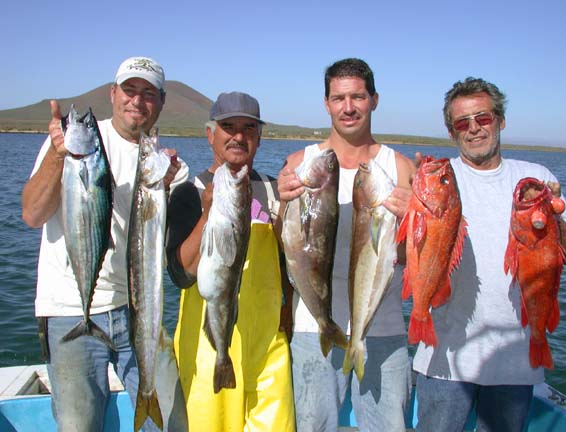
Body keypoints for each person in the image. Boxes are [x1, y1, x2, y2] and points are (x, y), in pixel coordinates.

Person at [21, 56, 188, 431]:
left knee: (173, 424)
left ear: (161, 102)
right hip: (68, 311)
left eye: (148, 94)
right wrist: (58, 155)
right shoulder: (74, 141)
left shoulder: (169, 166)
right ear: (113, 94)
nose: (137, 101)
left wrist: (165, 191)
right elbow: (32, 216)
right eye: (129, 90)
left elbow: (178, 251)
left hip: (138, 311)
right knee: (78, 425)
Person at [412, 77, 566, 432]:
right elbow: (410, 251)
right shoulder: (440, 176)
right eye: (462, 123)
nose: (473, 129)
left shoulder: (537, 178)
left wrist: (554, 220)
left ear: (500, 120)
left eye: (483, 118)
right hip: (444, 361)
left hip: (514, 365)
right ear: (451, 131)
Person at [278, 58, 416, 432]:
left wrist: (414, 221)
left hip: (383, 326)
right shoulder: (299, 163)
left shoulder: (399, 167)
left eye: (358, 96)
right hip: (314, 325)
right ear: (326, 103)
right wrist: (281, 205)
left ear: (374, 99)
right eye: (339, 98)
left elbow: (412, 257)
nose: (348, 107)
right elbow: (286, 249)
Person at [166, 91, 296, 431]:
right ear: (210, 134)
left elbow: (288, 264)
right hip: (209, 348)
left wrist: (290, 306)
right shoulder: (188, 193)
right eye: (228, 126)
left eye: (248, 128)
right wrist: (208, 213)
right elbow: (180, 274)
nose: (238, 136)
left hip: (268, 348)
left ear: (259, 137)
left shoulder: (274, 192)